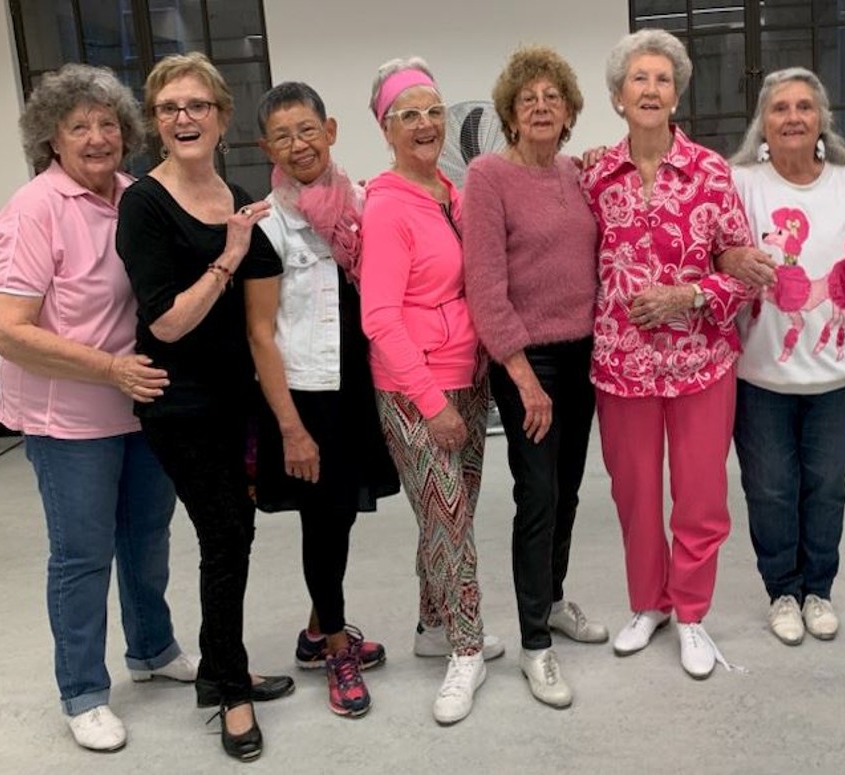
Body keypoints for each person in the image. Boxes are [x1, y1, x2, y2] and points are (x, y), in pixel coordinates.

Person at [0, 63, 197, 753]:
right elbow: (2, 327)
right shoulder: (34, 209)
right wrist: (108, 368)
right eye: (79, 126)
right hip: (68, 420)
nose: (97, 137)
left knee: (148, 537)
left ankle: (153, 648)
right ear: (52, 138)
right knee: (81, 556)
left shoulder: (137, 196)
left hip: (141, 407)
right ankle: (83, 691)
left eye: (108, 123)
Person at [115, 52, 291, 761]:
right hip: (178, 404)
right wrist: (229, 254)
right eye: (169, 108)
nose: (183, 118)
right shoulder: (144, 204)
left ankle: (222, 667)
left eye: (197, 106)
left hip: (233, 399)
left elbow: (262, 303)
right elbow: (166, 323)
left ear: (220, 117)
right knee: (223, 537)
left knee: (235, 534)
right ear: (156, 123)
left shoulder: (235, 194)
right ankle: (230, 691)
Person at [583, 29, 755, 680]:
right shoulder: (594, 175)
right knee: (634, 493)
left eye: (662, 79)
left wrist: (689, 294)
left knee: (701, 495)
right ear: (618, 96)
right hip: (620, 363)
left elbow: (743, 269)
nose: (651, 89)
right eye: (639, 78)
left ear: (677, 95)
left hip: (701, 361)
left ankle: (690, 612)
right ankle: (649, 603)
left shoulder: (711, 172)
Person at [246, 81, 400, 719]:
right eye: (282, 136)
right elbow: (260, 333)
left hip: (358, 385)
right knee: (322, 521)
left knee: (340, 517)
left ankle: (316, 630)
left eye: (307, 130)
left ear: (330, 130)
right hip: (306, 397)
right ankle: (336, 646)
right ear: (267, 148)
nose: (298, 145)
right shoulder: (267, 224)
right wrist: (290, 428)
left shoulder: (363, 202)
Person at [462, 45, 606, 709]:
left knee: (568, 490)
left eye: (553, 97)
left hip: (584, 355)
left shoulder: (579, 174)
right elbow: (485, 286)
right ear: (510, 115)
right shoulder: (488, 176)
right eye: (529, 99)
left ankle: (552, 599)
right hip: (530, 361)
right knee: (539, 495)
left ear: (570, 112)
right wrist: (522, 376)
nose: (542, 107)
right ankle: (534, 645)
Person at [361, 56, 503, 726]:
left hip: (468, 377)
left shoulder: (452, 192)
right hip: (417, 388)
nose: (425, 124)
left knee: (449, 515)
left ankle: (431, 624)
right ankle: (467, 648)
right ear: (386, 129)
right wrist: (431, 401)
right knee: (449, 521)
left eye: (433, 111)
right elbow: (379, 318)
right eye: (408, 114)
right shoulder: (387, 206)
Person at [722, 67, 845, 647]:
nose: (793, 117)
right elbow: (713, 250)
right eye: (780, 108)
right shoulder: (740, 183)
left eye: (804, 107)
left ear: (822, 121)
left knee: (827, 486)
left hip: (836, 378)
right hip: (760, 377)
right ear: (763, 124)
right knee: (769, 489)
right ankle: (782, 592)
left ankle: (819, 590)